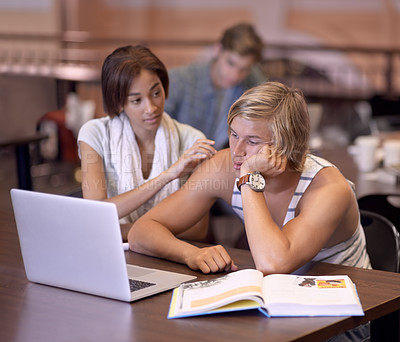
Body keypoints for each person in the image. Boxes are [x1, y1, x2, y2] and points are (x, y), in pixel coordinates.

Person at [128, 81, 371, 276]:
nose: (237, 150)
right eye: (234, 135)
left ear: (287, 145)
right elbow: (141, 234)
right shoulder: (223, 166)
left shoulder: (328, 187)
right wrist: (190, 254)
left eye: (253, 141)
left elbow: (273, 263)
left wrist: (248, 177)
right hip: (279, 302)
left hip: (347, 311)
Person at [77, 45, 216, 241]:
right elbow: (95, 213)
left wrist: (127, 232)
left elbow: (198, 229)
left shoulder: (193, 141)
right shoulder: (95, 134)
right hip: (113, 252)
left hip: (168, 254)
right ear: (118, 103)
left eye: (156, 93)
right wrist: (168, 175)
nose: (151, 108)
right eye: (136, 100)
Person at [165, 22, 266, 150]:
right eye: (231, 63)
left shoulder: (251, 80)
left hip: (224, 160)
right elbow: (158, 128)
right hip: (181, 157)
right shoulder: (179, 80)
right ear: (218, 49)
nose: (235, 75)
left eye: (244, 69)